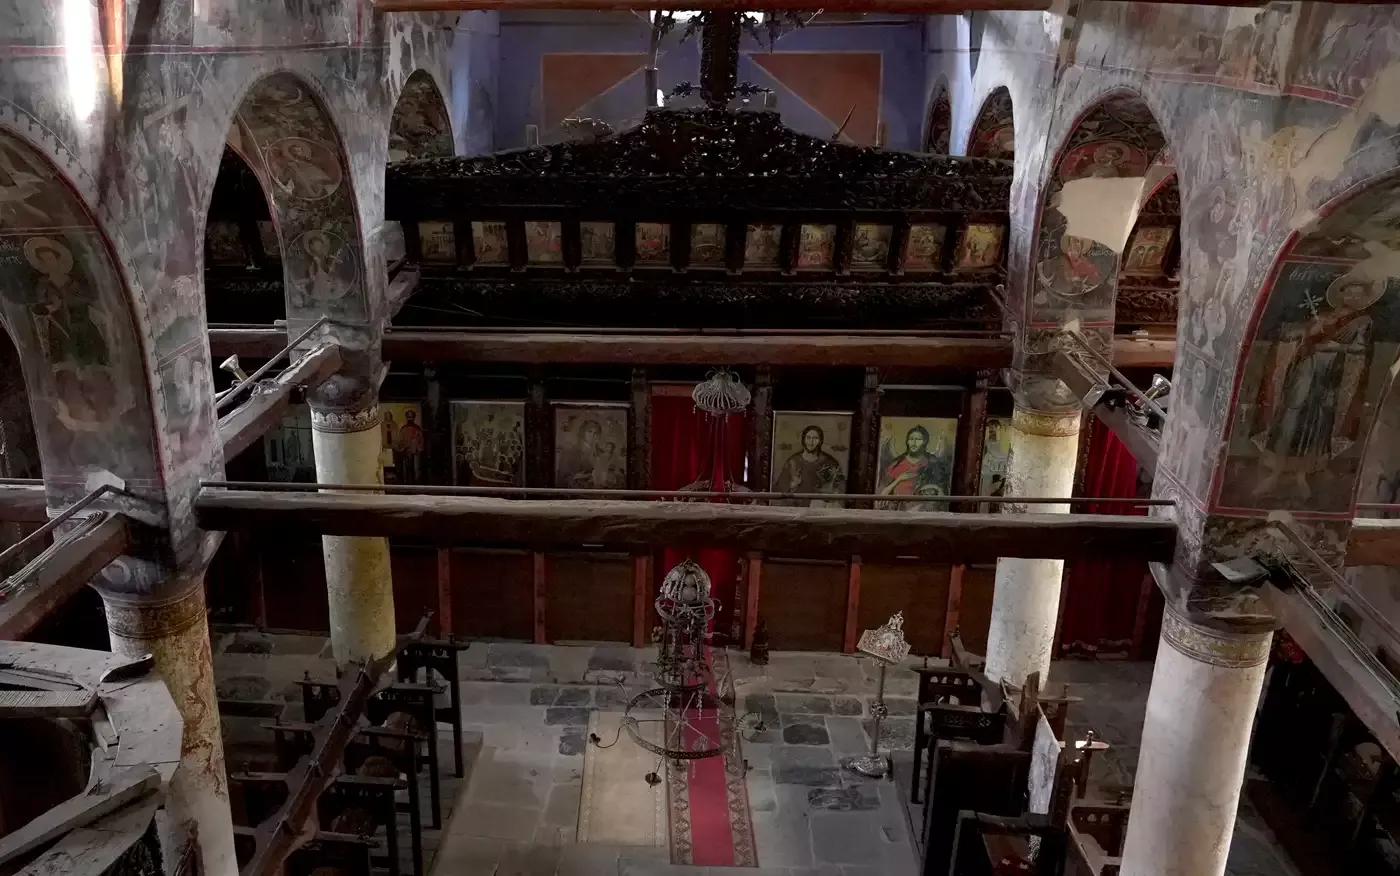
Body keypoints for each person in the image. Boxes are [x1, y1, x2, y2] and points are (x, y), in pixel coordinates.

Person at [774, 425, 846, 506]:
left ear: (820, 441)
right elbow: (778, 489)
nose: (811, 442)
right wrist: (792, 484)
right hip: (797, 508)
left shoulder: (830, 462)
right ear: (803, 440)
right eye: (808, 438)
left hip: (822, 508)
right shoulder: (792, 462)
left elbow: (840, 487)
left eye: (815, 438)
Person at [879, 426, 949, 509]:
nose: (914, 443)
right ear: (907, 441)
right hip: (897, 508)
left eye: (918, 439)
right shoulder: (895, 464)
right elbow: (883, 491)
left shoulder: (934, 463)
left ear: (925, 442)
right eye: (911, 439)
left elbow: (942, 492)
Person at [394, 410, 425, 485]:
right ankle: (408, 483)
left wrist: (419, 449)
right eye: (408, 417)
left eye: (411, 417)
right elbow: (400, 441)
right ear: (406, 417)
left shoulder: (418, 428)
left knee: (417, 469)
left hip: (416, 452)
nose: (410, 418)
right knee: (407, 469)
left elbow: (421, 441)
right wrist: (402, 448)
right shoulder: (403, 429)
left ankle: (416, 484)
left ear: (414, 417)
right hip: (407, 451)